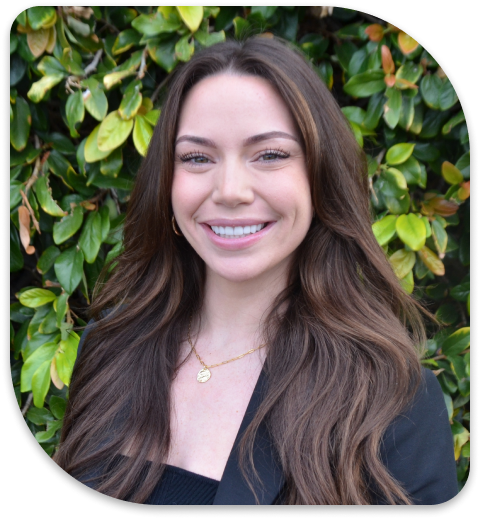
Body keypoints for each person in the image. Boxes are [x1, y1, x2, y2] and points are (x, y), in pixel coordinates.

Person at [54, 37, 458, 505]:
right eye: (197, 157)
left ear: (320, 175)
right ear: (167, 180)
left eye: (269, 154)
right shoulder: (107, 348)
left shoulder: (393, 402)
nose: (230, 190)